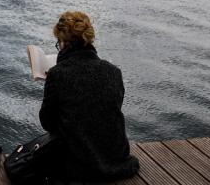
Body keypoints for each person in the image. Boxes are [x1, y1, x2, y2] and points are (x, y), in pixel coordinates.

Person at [39, 11, 139, 183]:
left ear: (63, 43)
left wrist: (52, 86)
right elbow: (108, 111)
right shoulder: (114, 71)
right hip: (116, 160)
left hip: (79, 167)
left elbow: (47, 123)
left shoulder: (58, 74)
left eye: (58, 43)